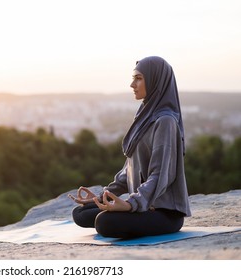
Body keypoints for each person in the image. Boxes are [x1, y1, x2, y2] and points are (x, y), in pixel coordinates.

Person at [69, 56, 191, 238]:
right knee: (81, 214)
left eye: (139, 78)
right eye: (134, 78)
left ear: (156, 81)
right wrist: (103, 196)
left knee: (104, 222)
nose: (132, 84)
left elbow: (160, 176)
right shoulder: (145, 116)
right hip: (142, 205)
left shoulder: (165, 121)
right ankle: (125, 212)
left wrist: (129, 205)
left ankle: (131, 214)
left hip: (164, 212)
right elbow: (129, 171)